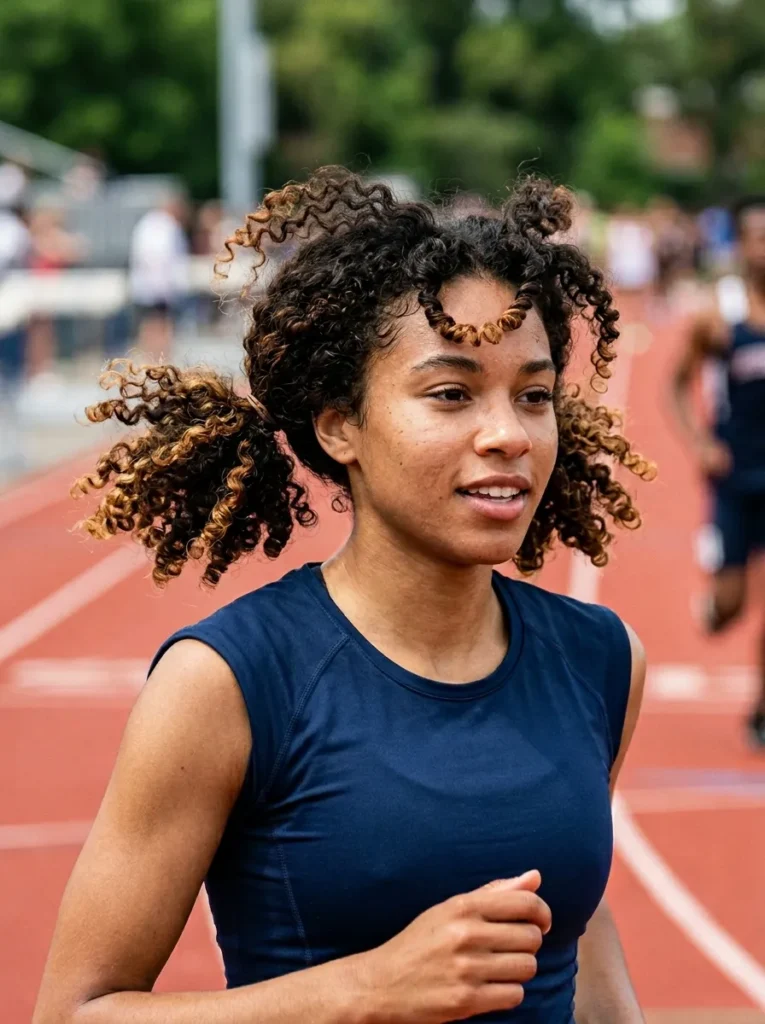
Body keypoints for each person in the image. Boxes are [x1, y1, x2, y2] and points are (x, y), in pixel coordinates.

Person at [35, 169, 653, 1023]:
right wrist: (363, 990)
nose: (508, 434)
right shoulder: (230, 682)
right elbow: (75, 1012)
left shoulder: (600, 659)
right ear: (339, 425)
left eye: (534, 395)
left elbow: (576, 936)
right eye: (450, 394)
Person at [672, 195, 765, 749]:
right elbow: (676, 386)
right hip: (735, 478)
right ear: (740, 244)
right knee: (732, 607)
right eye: (758, 237)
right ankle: (713, 608)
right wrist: (702, 443)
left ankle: (761, 710)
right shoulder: (719, 317)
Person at [128, 192, 190, 361]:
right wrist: (167, 288)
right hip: (159, 288)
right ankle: (158, 361)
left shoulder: (147, 223)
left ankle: (152, 361)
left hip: (149, 287)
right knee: (159, 327)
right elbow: (162, 258)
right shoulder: (166, 226)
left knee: (150, 326)